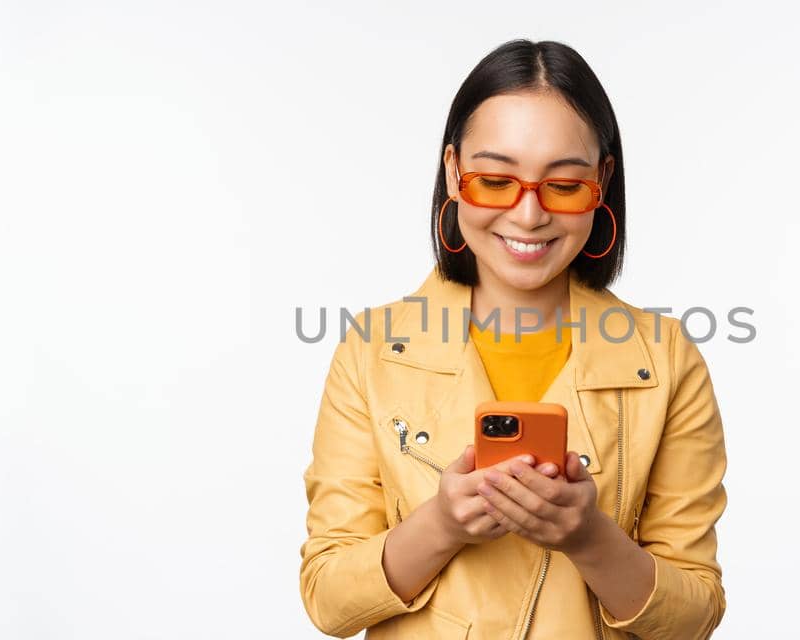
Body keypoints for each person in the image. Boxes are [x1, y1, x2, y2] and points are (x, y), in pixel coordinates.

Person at [299, 39, 728, 639]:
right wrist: (443, 524)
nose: (528, 215)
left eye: (564, 184)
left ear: (602, 181)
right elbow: (328, 601)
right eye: (495, 181)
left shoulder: (666, 359)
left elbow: (694, 616)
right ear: (453, 172)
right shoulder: (371, 351)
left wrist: (589, 537)